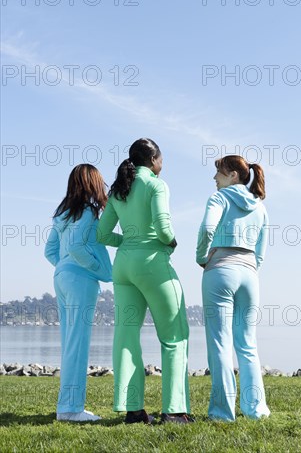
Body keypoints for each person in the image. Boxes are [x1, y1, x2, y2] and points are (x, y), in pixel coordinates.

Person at [97, 138, 191, 424]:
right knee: (175, 337)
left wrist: (128, 241)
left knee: (126, 336)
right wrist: (172, 243)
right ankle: (174, 411)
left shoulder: (118, 191)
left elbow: (102, 234)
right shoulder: (156, 185)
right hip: (152, 264)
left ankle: (133, 411)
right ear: (154, 160)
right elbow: (164, 228)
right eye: (162, 158)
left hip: (123, 267)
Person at [196, 155, 270, 421]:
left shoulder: (219, 198)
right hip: (250, 275)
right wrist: (250, 268)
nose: (215, 178)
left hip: (220, 270)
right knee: (247, 344)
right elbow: (261, 251)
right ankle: (256, 410)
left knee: (220, 342)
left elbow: (206, 229)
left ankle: (222, 413)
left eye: (219, 173)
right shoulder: (260, 207)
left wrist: (202, 257)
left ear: (233, 176)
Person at [45, 164, 113, 422]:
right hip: (80, 280)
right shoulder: (86, 212)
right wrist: (95, 270)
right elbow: (76, 246)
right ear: (92, 184)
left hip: (62, 278)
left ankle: (67, 406)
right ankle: (71, 410)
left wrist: (65, 267)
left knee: (69, 342)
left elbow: (50, 251)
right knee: (78, 343)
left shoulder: (62, 214)